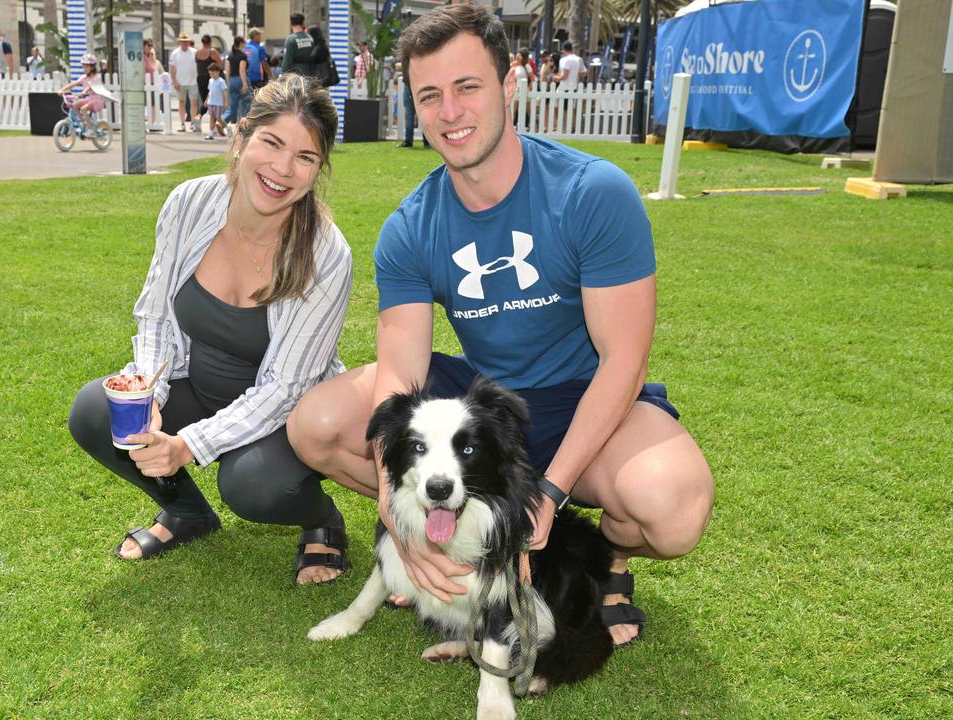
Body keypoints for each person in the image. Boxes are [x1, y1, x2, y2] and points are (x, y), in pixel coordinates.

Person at [287, 4, 713, 647]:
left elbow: (624, 363)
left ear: (509, 86)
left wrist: (547, 494)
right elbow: (401, 373)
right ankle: (447, 536)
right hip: (484, 406)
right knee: (315, 426)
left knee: (673, 510)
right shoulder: (411, 224)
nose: (450, 112)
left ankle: (603, 562)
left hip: (585, 397)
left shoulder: (593, 191)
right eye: (430, 95)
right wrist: (386, 498)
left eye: (468, 87)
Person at [69, 74, 353, 585]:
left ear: (318, 169)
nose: (283, 169)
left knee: (254, 486)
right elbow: (155, 312)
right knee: (98, 411)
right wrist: (148, 395)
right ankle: (188, 513)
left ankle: (321, 520)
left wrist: (188, 446)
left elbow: (285, 388)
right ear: (241, 137)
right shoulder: (189, 203)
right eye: (271, 142)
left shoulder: (326, 254)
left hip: (284, 418)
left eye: (305, 157)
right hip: (200, 388)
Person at [58, 53, 105, 134]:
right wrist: (62, 90)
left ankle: (90, 130)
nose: (85, 68)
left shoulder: (97, 76)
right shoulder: (84, 77)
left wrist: (84, 91)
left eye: (87, 66)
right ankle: (84, 123)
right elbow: (73, 84)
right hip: (89, 99)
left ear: (93, 67)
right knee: (75, 105)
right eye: (83, 66)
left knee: (83, 109)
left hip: (96, 100)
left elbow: (91, 86)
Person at [168, 32, 200, 132]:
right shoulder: (175, 53)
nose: (185, 44)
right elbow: (171, 68)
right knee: (181, 102)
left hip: (193, 81)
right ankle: (182, 124)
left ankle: (193, 123)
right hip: (180, 82)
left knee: (193, 103)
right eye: (183, 42)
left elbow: (199, 66)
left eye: (186, 42)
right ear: (180, 42)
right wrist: (174, 81)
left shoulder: (194, 52)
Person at [241, 28, 272, 117]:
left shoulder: (244, 47)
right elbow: (264, 63)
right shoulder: (259, 48)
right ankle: (257, 117)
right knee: (259, 99)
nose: (261, 37)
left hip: (246, 78)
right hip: (258, 77)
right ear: (256, 36)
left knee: (248, 100)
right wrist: (272, 76)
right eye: (260, 35)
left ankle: (247, 117)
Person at [280, 13, 318, 79]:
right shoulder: (310, 38)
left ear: (290, 24)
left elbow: (287, 63)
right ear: (303, 23)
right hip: (311, 77)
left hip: (297, 79)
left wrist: (284, 77)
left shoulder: (291, 40)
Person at [195, 34, 222, 118]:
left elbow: (197, 65)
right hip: (210, 78)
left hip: (200, 78)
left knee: (205, 101)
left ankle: (198, 118)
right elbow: (220, 65)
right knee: (210, 101)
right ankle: (200, 118)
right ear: (210, 42)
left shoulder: (197, 52)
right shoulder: (212, 51)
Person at [224, 36, 248, 124]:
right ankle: (242, 125)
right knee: (245, 104)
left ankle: (222, 121)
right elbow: (241, 70)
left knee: (232, 106)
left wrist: (227, 84)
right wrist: (244, 83)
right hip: (240, 80)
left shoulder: (229, 55)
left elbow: (227, 71)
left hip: (231, 80)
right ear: (241, 43)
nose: (245, 44)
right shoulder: (242, 55)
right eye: (244, 42)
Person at [203, 62, 228, 139]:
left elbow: (225, 91)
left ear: (218, 72)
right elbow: (210, 91)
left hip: (218, 103)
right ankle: (210, 133)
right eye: (210, 74)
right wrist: (206, 100)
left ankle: (227, 127)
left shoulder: (221, 81)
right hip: (211, 102)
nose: (211, 75)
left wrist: (226, 101)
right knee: (211, 117)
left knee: (218, 118)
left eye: (213, 73)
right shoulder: (210, 80)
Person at [142, 39, 161, 129]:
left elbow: (156, 67)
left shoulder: (151, 55)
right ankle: (143, 123)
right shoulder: (142, 56)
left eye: (151, 45)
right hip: (145, 82)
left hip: (153, 82)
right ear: (143, 46)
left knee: (153, 104)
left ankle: (152, 123)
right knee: (144, 103)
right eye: (148, 45)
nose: (150, 47)